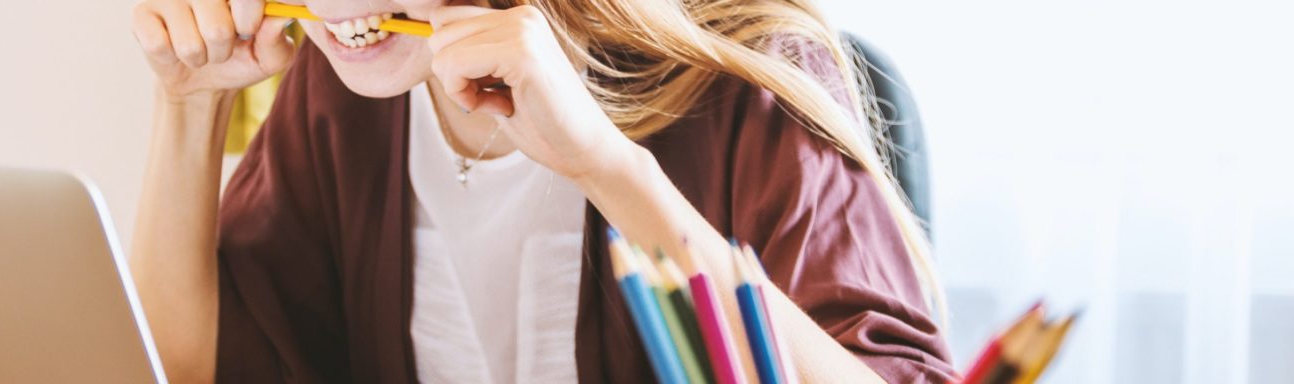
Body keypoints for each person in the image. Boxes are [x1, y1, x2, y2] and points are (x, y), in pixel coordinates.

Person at [128, 0, 955, 382]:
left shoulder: (748, 78)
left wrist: (607, 166)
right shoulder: (341, 92)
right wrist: (189, 104)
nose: (334, 5)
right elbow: (193, 366)